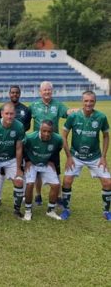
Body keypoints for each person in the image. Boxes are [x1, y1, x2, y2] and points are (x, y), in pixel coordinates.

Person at [61, 91, 111, 221]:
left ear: (95, 102)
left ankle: (106, 211)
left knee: (108, 182)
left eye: (91, 101)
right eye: (86, 101)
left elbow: (106, 136)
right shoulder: (73, 116)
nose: (88, 103)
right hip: (75, 156)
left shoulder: (101, 117)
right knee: (67, 180)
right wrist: (69, 157)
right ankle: (66, 209)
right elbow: (64, 136)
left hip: (95, 157)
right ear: (82, 101)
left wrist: (103, 157)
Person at [28, 81, 73, 206]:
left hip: (53, 144)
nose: (47, 92)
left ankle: (57, 196)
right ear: (40, 92)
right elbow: (25, 119)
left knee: (55, 169)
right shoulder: (33, 105)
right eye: (44, 90)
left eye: (49, 90)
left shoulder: (58, 105)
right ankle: (38, 195)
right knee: (36, 171)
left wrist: (75, 111)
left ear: (52, 91)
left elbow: (67, 112)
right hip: (37, 143)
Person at [0, 102, 26, 220]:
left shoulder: (19, 126)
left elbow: (19, 148)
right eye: (7, 113)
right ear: (2, 114)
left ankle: (17, 210)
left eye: (12, 114)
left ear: (15, 114)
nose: (9, 116)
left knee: (19, 181)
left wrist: (19, 169)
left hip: (11, 159)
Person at [23, 120, 63, 221]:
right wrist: (27, 160)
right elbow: (21, 148)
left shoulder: (58, 139)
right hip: (32, 163)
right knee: (30, 184)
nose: (46, 134)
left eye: (49, 131)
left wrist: (51, 160)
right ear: (39, 129)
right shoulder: (30, 137)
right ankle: (28, 211)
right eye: (44, 131)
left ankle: (50, 210)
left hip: (45, 163)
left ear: (52, 131)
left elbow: (57, 149)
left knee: (56, 185)